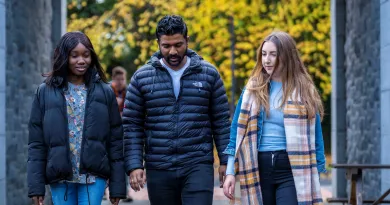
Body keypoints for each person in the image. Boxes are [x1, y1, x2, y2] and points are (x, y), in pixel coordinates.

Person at [122, 15, 230, 205]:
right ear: (158, 43)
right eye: (166, 46)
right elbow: (132, 125)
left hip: (198, 164)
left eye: (178, 45)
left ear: (187, 40)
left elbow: (221, 121)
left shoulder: (209, 74)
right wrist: (134, 165)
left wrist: (225, 161)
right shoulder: (141, 78)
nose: (173, 51)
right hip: (159, 166)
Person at [222, 31, 326, 205]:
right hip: (257, 167)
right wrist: (231, 171)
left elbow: (316, 135)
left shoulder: (304, 89)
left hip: (291, 169)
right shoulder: (252, 89)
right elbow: (236, 132)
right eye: (263, 54)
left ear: (286, 56)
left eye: (273, 54)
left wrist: (317, 172)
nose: (267, 60)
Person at [27, 31, 126, 205]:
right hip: (60, 176)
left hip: (94, 176)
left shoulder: (105, 92)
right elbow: (36, 143)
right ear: (64, 57)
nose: (81, 61)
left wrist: (117, 185)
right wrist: (36, 186)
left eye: (86, 55)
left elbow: (116, 141)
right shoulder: (44, 92)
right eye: (74, 56)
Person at [104, 66, 133, 202]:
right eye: (118, 79)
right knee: (105, 161)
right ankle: (104, 191)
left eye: (123, 79)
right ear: (114, 78)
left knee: (122, 161)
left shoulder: (130, 91)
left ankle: (125, 192)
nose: (121, 81)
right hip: (108, 130)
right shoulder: (108, 90)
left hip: (123, 131)